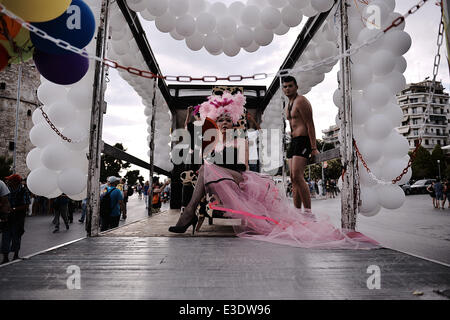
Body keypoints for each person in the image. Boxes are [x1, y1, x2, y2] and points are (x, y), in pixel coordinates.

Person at [168, 91, 378, 249]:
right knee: (206, 169)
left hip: (238, 179)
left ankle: (188, 213)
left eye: (226, 120)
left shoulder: (240, 139)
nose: (223, 124)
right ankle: (189, 212)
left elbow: (245, 167)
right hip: (217, 180)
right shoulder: (212, 142)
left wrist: (222, 161)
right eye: (219, 120)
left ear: (232, 123)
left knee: (207, 169)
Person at [283, 76, 319, 212]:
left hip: (303, 140)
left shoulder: (301, 101)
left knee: (298, 176)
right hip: (293, 142)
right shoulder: (288, 106)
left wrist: (314, 147)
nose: (287, 89)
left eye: (290, 86)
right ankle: (297, 212)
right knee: (293, 178)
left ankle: (308, 213)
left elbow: (310, 124)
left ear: (296, 87)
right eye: (285, 87)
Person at [1, 174, 30, 263]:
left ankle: (16, 255)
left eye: (10, 180)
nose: (8, 182)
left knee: (16, 236)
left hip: (18, 217)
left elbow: (26, 205)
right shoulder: (7, 189)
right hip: (7, 216)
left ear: (16, 182)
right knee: (5, 236)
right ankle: (5, 257)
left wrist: (14, 209)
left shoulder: (23, 191)